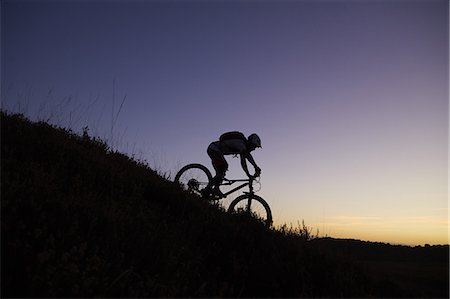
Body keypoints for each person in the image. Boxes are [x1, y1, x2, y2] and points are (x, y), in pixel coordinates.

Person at [203, 132, 262, 198]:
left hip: (215, 150)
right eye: (254, 146)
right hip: (213, 149)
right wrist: (249, 173)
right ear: (250, 142)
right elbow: (243, 162)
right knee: (222, 169)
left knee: (223, 169)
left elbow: (247, 156)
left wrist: (255, 166)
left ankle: (214, 189)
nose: (254, 149)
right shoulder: (241, 144)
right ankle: (207, 189)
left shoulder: (243, 146)